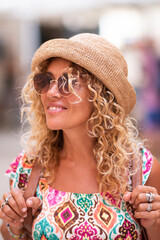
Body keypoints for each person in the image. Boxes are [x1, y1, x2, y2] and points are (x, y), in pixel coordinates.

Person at [0, 33, 160, 240]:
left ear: (101, 96)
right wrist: (13, 224)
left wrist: (154, 222)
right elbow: (14, 234)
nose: (51, 92)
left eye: (68, 82)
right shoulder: (28, 167)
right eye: (45, 81)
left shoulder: (142, 169)